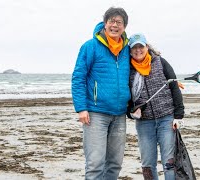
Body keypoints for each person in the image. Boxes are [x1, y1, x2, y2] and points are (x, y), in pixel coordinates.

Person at [72, 7, 130, 180]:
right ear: (105, 24)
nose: (115, 25)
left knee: (114, 164)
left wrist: (170, 78)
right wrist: (81, 108)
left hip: (120, 114)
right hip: (96, 113)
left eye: (119, 22)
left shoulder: (127, 48)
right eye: (111, 21)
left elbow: (147, 60)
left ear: (124, 27)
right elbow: (78, 77)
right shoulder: (90, 46)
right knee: (95, 164)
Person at [127, 33, 185, 180]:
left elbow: (174, 87)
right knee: (147, 164)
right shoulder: (127, 69)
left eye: (141, 46)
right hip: (144, 122)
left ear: (147, 47)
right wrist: (131, 111)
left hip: (166, 119)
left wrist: (178, 116)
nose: (138, 50)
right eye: (134, 47)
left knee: (169, 162)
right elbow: (126, 97)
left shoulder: (161, 62)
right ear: (130, 50)